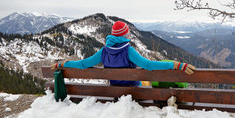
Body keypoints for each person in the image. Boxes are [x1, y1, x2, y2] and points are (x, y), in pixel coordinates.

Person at [51, 21, 196, 86]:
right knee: (147, 82)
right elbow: (149, 65)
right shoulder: (129, 51)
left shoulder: (103, 51)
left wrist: (63, 63)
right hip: (134, 90)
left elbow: (82, 64)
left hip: (114, 90)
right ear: (125, 35)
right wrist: (176, 65)